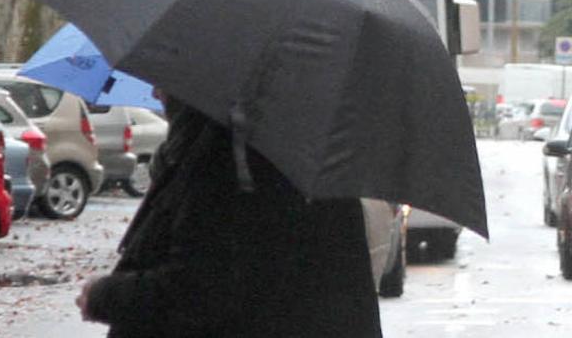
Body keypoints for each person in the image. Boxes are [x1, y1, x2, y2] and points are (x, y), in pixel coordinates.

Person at [75, 94, 382, 337]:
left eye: (166, 84)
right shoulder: (306, 150)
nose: (155, 93)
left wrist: (105, 295)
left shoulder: (225, 163)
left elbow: (198, 289)